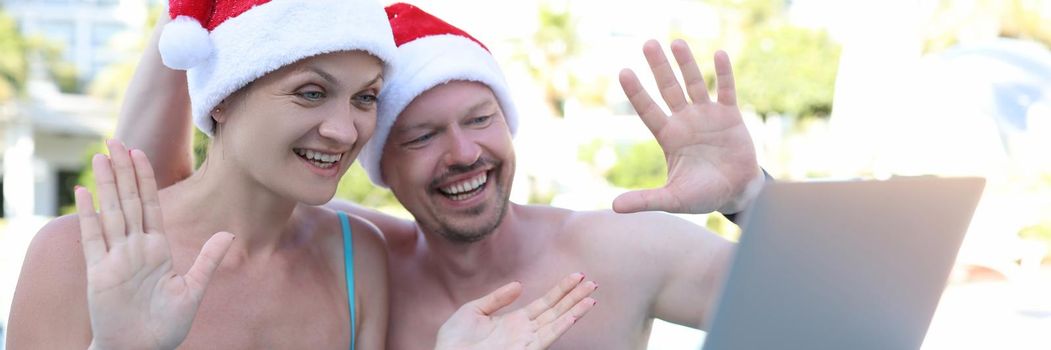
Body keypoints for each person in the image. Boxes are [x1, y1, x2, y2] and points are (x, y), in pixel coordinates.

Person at [113, 3, 765, 348]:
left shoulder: (619, 250)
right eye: (421, 136)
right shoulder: (362, 262)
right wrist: (185, 27)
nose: (462, 153)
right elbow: (168, 195)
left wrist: (755, 200)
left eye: (479, 118)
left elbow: (851, 320)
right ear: (378, 166)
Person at [6, 1, 596, 349]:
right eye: (310, 93)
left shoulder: (354, 255)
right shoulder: (74, 255)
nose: (344, 131)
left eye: (365, 98)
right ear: (222, 99)